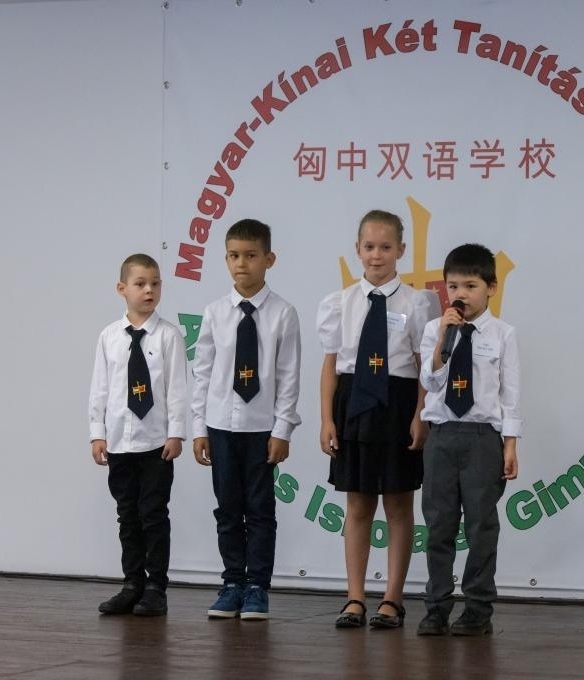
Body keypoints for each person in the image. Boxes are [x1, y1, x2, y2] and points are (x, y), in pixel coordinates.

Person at [317, 209, 439, 629]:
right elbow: (330, 366)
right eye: (369, 247)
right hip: (353, 404)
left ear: (401, 250)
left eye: (385, 247)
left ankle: (392, 598)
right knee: (357, 503)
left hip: (398, 403)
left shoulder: (417, 303)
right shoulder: (339, 303)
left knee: (399, 503)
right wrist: (326, 419)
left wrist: (421, 414)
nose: (376, 255)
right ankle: (354, 597)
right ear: (357, 249)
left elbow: (424, 365)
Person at [192, 218, 301, 621]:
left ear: (269, 259)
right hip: (220, 426)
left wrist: (283, 429)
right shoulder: (215, 313)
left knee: (259, 509)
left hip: (261, 428)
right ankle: (232, 583)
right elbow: (203, 373)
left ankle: (257, 586)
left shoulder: (283, 314)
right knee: (227, 509)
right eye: (234, 256)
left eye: (251, 256)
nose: (242, 264)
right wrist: (199, 428)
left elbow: (288, 376)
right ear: (226, 260)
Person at [416, 243, 521, 637]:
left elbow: (510, 394)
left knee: (481, 526)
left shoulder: (503, 334)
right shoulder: (435, 330)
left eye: (470, 286)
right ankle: (436, 607)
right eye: (453, 286)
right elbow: (430, 382)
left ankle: (477, 608)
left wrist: (510, 444)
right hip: (442, 436)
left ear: (491, 287)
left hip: (482, 439)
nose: (461, 294)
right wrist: (444, 337)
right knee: (439, 524)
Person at [89, 253, 188, 617]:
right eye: (141, 284)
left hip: (155, 445)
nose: (149, 290)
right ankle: (132, 583)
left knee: (154, 515)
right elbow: (100, 389)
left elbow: (177, 389)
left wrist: (176, 433)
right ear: (122, 289)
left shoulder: (169, 336)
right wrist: (97, 433)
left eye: (155, 283)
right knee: (127, 515)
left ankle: (156, 587)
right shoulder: (109, 337)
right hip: (119, 443)